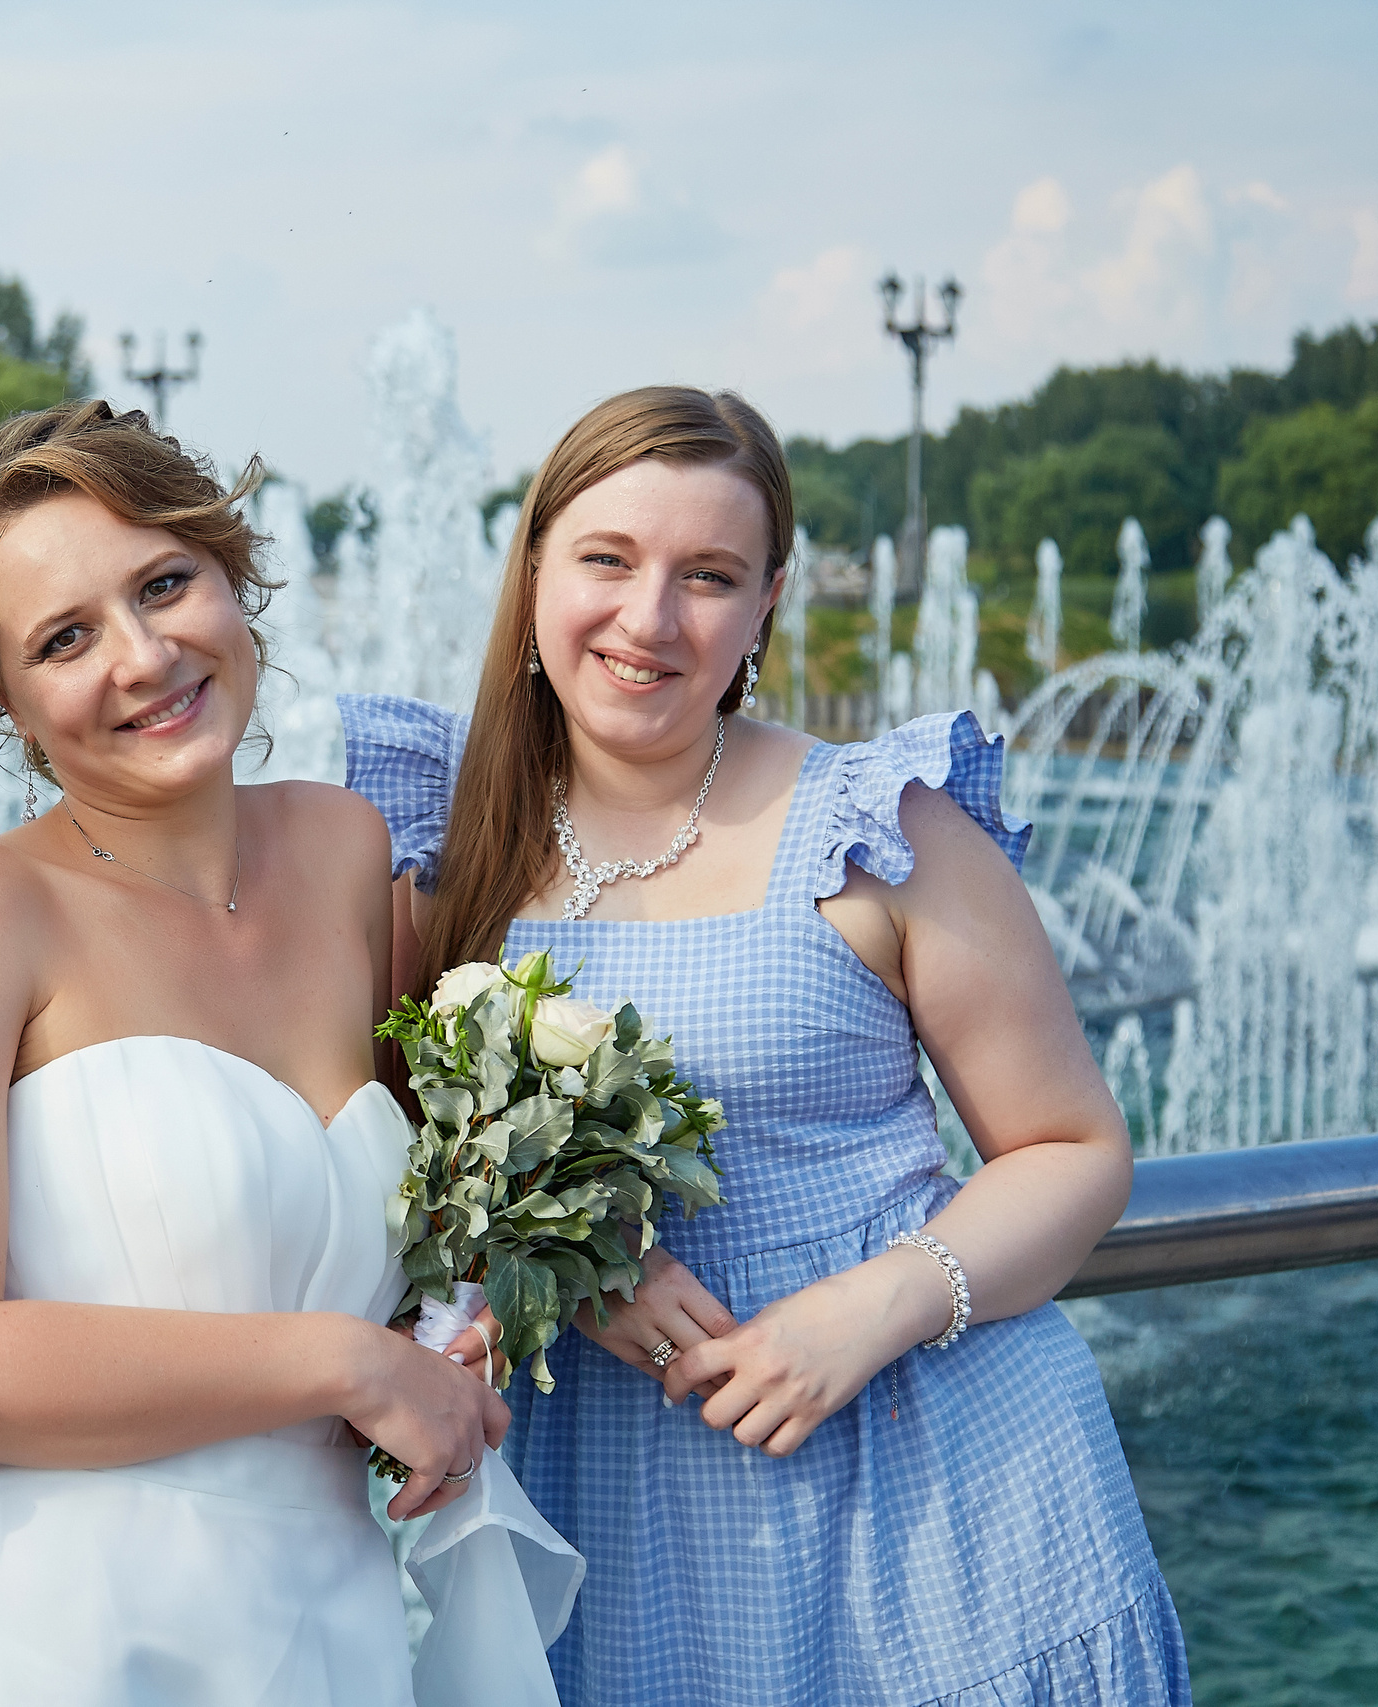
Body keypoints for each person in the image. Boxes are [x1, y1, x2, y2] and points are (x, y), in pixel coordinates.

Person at [341, 386, 1190, 1706]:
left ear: (767, 604)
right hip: (616, 1511)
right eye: (609, 560)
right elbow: (393, 1164)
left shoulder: (878, 827)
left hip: (927, 1485)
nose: (650, 619)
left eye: (711, 576)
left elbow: (1074, 1150)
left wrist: (877, 1308)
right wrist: (557, 1258)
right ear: (534, 569)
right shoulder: (440, 851)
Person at [0, 400, 574, 1706]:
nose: (142, 654)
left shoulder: (348, 853)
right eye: (64, 638)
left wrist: (458, 1332)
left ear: (232, 573)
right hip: (49, 1639)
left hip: (323, 1629)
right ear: (5, 702)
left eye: (165, 584)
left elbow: (421, 1211)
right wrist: (342, 1363)